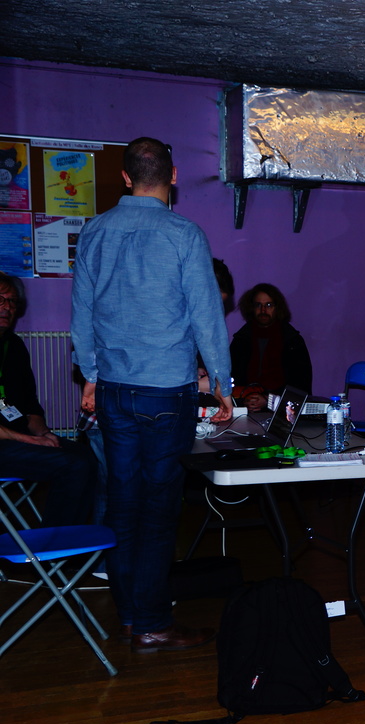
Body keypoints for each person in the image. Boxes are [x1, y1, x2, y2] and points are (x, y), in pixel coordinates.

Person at [72, 136, 232, 653]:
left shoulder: (94, 231)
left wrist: (90, 374)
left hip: (115, 391)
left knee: (123, 504)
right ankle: (153, 622)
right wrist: (222, 386)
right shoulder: (185, 234)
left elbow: (81, 315)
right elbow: (207, 317)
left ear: (124, 177)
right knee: (160, 510)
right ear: (174, 176)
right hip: (166, 393)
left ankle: (129, 615)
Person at [0, 275, 96, 527]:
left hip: (16, 438)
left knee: (90, 456)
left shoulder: (14, 346)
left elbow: (29, 405)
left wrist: (44, 434)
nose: (7, 307)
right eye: (0, 300)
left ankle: (72, 535)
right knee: (73, 466)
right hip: (7, 442)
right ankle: (55, 542)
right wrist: (31, 441)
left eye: (12, 301)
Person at [229, 283, 313, 412]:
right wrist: (244, 398)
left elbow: (301, 386)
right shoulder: (241, 339)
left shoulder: (292, 341)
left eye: (268, 305)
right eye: (258, 305)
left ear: (277, 308)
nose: (263, 310)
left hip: (282, 412)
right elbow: (230, 379)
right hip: (243, 409)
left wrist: (268, 399)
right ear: (252, 308)